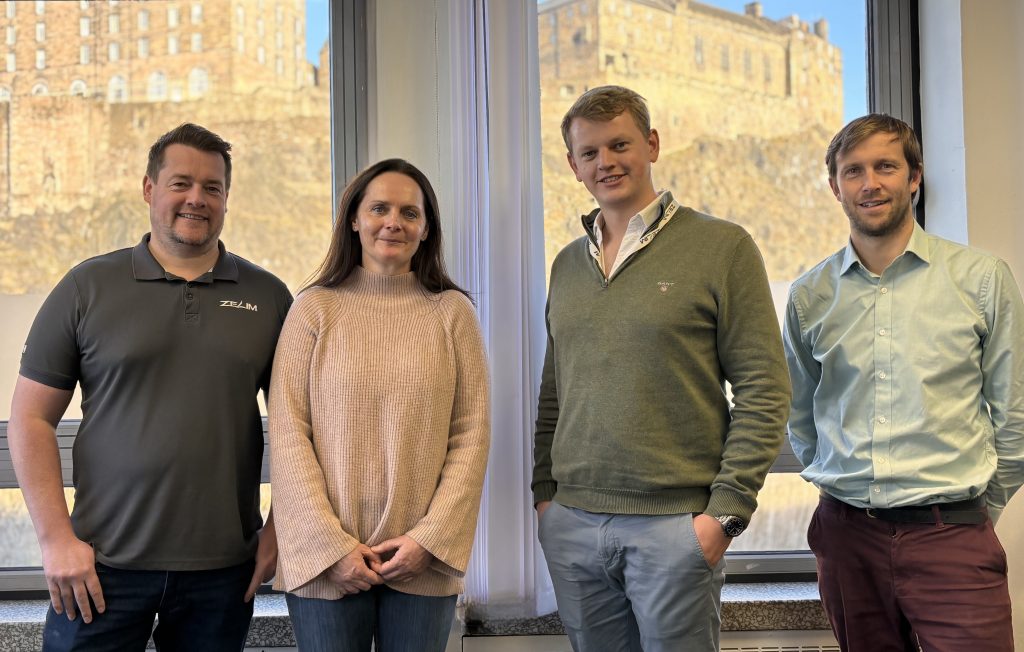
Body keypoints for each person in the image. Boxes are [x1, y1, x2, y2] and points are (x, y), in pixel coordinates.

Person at [8, 123, 292, 651]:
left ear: (227, 198)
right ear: (148, 189)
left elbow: (301, 429)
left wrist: (277, 532)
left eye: (212, 187)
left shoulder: (269, 298)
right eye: (181, 182)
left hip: (223, 574)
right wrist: (54, 541)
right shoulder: (86, 287)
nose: (196, 199)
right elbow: (30, 418)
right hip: (99, 569)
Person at [531, 85, 791, 651]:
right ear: (574, 167)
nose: (607, 162)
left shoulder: (722, 247)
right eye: (590, 153)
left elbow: (765, 389)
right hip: (572, 523)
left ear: (651, 144)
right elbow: (555, 391)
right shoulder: (567, 265)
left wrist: (724, 515)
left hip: (676, 527)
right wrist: (545, 496)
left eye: (620, 144)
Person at [784, 113, 1024, 651]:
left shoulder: (981, 280)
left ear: (914, 176)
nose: (870, 183)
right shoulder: (809, 296)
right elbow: (799, 414)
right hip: (847, 539)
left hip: (952, 534)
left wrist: (979, 508)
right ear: (835, 187)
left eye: (885, 167)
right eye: (853, 171)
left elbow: (1016, 413)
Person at [269, 158, 490, 652]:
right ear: (354, 218)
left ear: (426, 228)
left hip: (422, 561)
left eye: (410, 213)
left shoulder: (453, 314)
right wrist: (332, 548)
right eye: (380, 208)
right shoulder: (313, 310)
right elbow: (288, 434)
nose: (394, 222)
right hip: (327, 563)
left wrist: (428, 542)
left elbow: (470, 436)